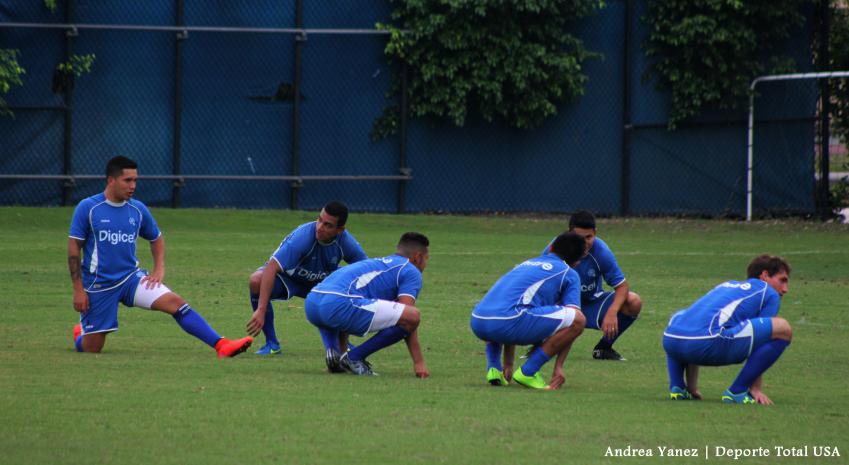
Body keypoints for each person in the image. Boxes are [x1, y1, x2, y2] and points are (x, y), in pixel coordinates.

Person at [68, 156, 252, 357]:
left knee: (175, 303)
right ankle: (82, 334)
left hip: (131, 279)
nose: (133, 186)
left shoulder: (137, 209)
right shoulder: (88, 208)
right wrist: (78, 289)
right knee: (92, 348)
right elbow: (73, 249)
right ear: (111, 180)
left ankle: (222, 345)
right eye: (127, 180)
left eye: (135, 180)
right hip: (99, 284)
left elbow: (156, 238)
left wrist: (159, 268)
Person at [663, 255, 792, 404]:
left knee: (682, 318)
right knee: (783, 328)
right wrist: (755, 388)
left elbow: (699, 325)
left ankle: (678, 386)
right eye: (782, 280)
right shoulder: (768, 292)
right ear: (764, 275)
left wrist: (692, 386)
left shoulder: (727, 285)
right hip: (708, 344)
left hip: (671, 341)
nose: (785, 289)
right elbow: (764, 339)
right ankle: (737, 391)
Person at [245, 201, 368, 359]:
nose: (320, 227)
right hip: (289, 278)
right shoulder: (303, 237)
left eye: (327, 225)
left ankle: (343, 343)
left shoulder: (345, 241)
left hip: (320, 282)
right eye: (319, 219)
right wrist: (261, 310)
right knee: (256, 280)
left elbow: (365, 269)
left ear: (339, 230)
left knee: (348, 284)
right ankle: (272, 344)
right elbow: (272, 267)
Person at [303, 232, 430, 377]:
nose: (425, 264)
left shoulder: (376, 264)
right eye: (426, 259)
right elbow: (407, 315)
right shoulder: (410, 269)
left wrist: (342, 351)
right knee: (412, 316)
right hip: (337, 304)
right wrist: (419, 362)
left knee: (348, 305)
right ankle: (354, 357)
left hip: (312, 303)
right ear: (417, 257)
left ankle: (336, 355)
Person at [471, 232, 587, 390]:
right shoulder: (569, 273)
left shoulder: (526, 263)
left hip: (478, 320)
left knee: (508, 310)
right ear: (577, 262)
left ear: (551, 248)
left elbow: (510, 305)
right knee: (578, 319)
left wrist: (508, 363)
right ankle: (529, 372)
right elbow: (574, 321)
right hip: (508, 322)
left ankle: (494, 369)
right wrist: (558, 366)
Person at [544, 210, 642, 360]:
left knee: (633, 301)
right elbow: (542, 284)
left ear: (595, 232)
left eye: (589, 237)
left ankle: (603, 348)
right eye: (578, 238)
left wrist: (612, 312)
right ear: (569, 233)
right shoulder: (556, 248)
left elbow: (622, 286)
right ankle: (540, 347)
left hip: (591, 303)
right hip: (563, 304)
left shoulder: (601, 251)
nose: (584, 243)